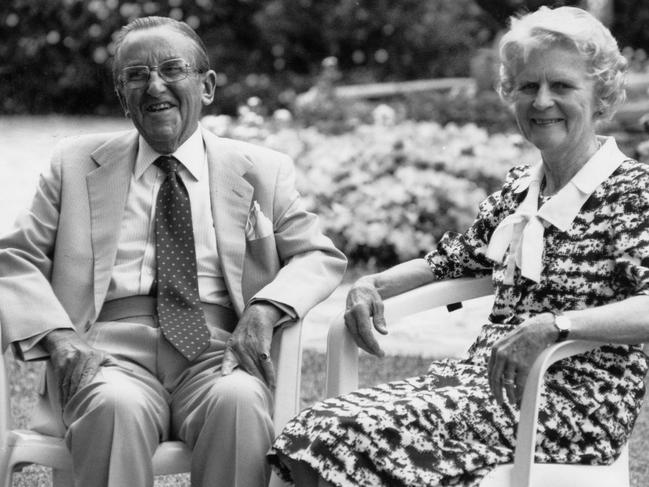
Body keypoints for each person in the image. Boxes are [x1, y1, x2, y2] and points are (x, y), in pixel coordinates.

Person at [269, 6, 649, 486]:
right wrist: (372, 284)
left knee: (352, 434)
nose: (542, 101)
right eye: (528, 86)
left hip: (572, 404)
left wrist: (554, 326)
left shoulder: (633, 192)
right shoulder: (519, 191)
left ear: (602, 97)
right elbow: (451, 263)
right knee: (313, 430)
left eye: (563, 86)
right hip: (481, 386)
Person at [0, 16, 346, 487]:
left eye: (171, 69)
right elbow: (15, 259)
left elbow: (317, 256)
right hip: (109, 349)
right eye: (136, 75)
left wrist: (264, 310)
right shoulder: (75, 164)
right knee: (114, 407)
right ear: (123, 98)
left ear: (206, 87)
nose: (154, 85)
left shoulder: (262, 170)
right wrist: (59, 337)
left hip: (215, 349)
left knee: (240, 403)